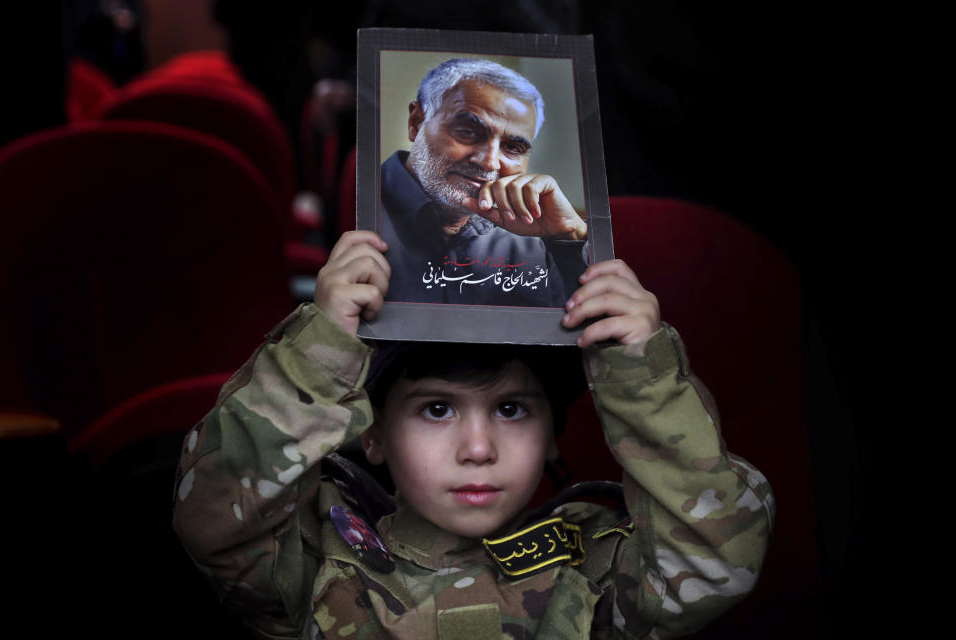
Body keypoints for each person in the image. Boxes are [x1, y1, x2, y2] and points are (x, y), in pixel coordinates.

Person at [173, 229, 774, 638]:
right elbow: (217, 518)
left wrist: (642, 374)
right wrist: (321, 347)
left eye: (512, 410)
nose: (479, 449)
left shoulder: (594, 565)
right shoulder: (317, 562)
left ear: (553, 437)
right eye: (437, 410)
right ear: (373, 434)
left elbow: (721, 555)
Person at [380, 58, 590, 307]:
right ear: (416, 123)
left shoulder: (536, 237)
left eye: (512, 147)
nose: (490, 163)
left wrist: (570, 242)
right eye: (467, 132)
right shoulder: (355, 206)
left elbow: (579, 331)